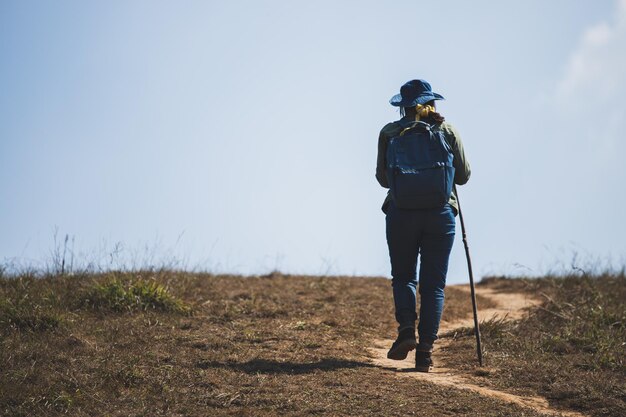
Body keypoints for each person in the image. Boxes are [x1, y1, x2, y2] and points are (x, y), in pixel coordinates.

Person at [376, 79, 471, 372]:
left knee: (404, 276)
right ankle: (426, 353)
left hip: (402, 213)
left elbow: (383, 179)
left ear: (402, 106)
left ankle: (407, 330)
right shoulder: (447, 130)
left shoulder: (390, 132)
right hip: (441, 214)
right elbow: (464, 176)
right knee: (434, 286)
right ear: (432, 103)